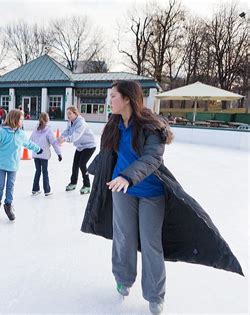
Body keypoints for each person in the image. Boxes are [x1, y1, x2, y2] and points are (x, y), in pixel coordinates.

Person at [80, 80, 243, 315]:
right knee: (123, 237)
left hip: (150, 192)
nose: (109, 101)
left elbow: (152, 158)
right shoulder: (113, 125)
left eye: (113, 96)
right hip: (121, 191)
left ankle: (155, 294)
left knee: (150, 243)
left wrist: (128, 176)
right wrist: (93, 168)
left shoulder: (151, 127)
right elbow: (108, 152)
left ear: (127, 98)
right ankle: (123, 278)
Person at [58, 106, 97, 194]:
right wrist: (61, 137)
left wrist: (65, 140)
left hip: (89, 146)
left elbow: (75, 136)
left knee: (82, 164)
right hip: (80, 146)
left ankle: (87, 185)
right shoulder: (70, 122)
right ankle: (73, 183)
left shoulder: (81, 123)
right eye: (67, 114)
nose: (68, 115)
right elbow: (67, 131)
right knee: (75, 164)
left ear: (75, 113)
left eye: (70, 113)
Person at [29, 112, 62, 196]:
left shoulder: (36, 129)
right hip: (44, 155)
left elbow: (30, 140)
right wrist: (59, 154)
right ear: (47, 120)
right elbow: (54, 143)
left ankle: (35, 189)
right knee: (45, 172)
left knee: (38, 171)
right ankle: (47, 190)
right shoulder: (48, 130)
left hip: (36, 154)